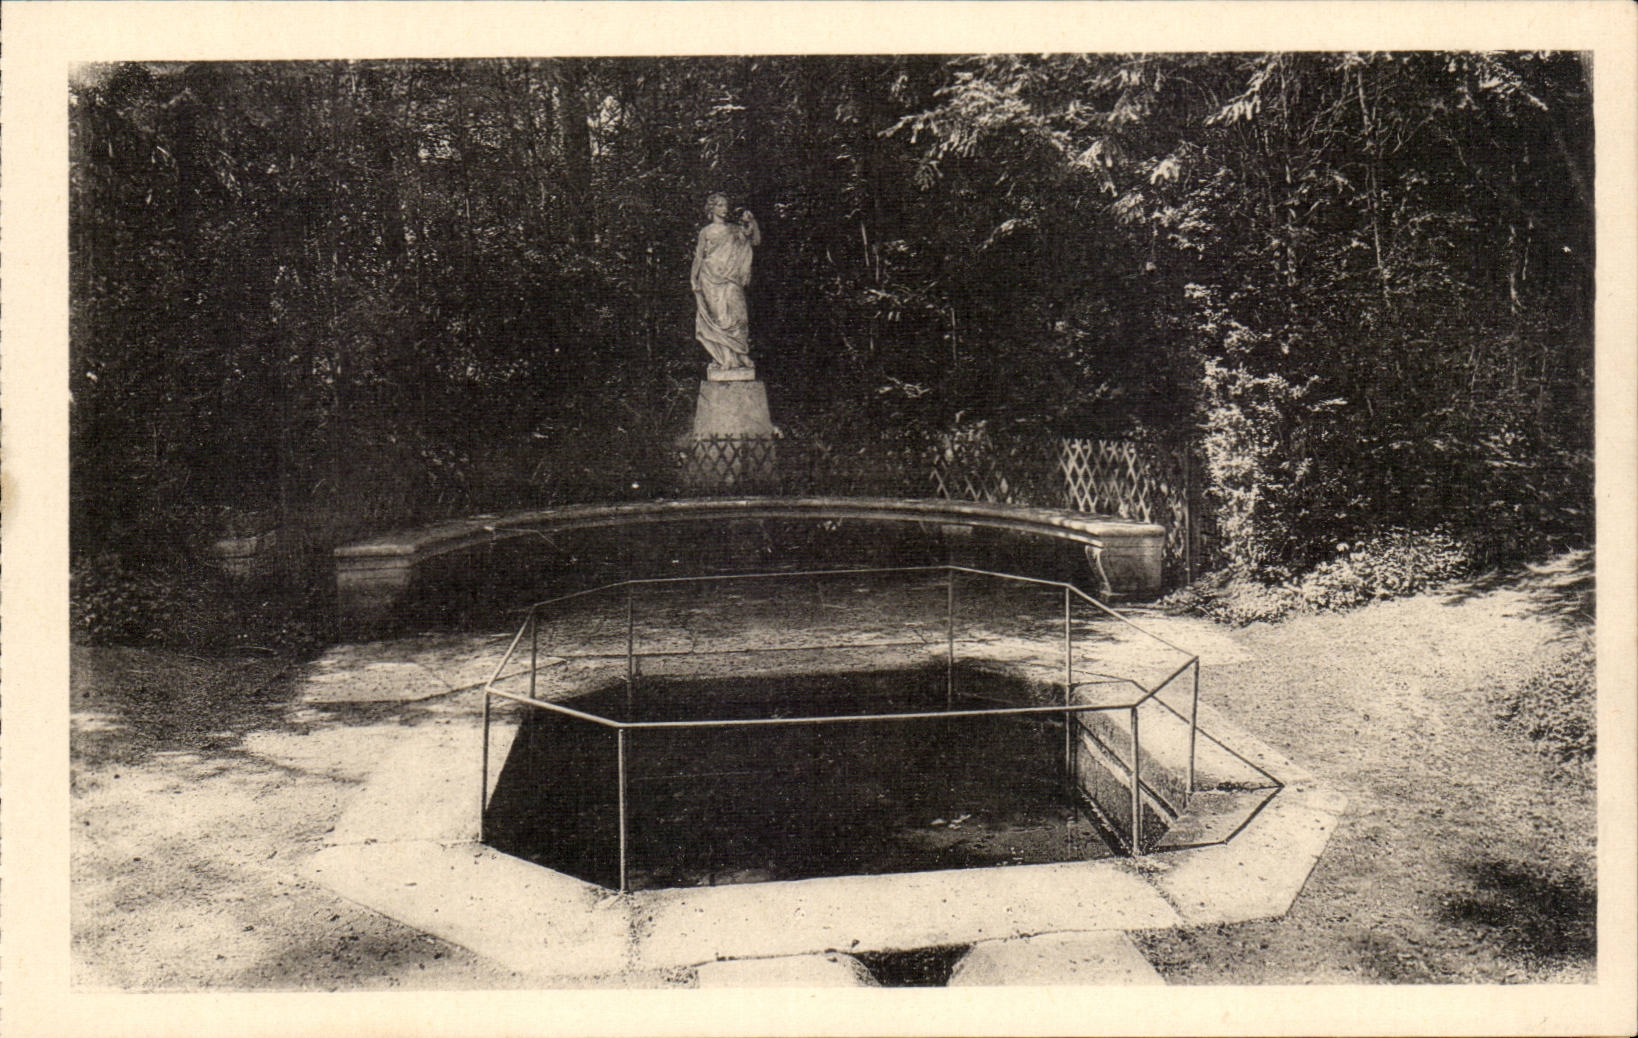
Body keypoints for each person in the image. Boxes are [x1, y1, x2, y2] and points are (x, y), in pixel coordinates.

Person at [691, 192, 761, 373]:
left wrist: (751, 222)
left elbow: (755, 240)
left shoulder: (734, 229)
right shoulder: (705, 232)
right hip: (709, 278)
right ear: (712, 208)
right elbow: (699, 256)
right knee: (719, 318)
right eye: (720, 205)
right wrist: (693, 278)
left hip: (731, 279)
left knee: (739, 316)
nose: (724, 209)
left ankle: (740, 351)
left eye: (725, 205)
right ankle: (727, 357)